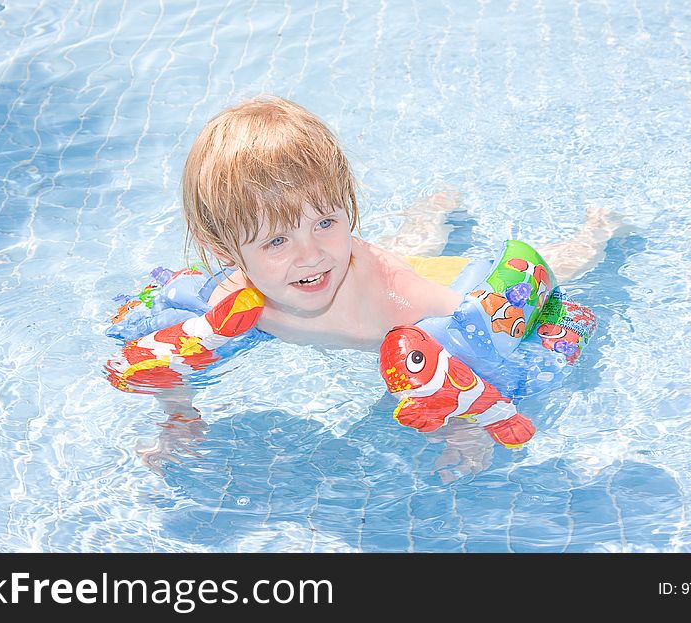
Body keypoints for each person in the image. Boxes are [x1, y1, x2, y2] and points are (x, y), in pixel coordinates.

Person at [116, 95, 624, 478]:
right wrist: (179, 418)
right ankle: (434, 211)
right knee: (408, 244)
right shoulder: (228, 297)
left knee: (561, 264)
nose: (310, 254)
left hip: (414, 282)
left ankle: (596, 230)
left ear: (347, 208)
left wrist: (465, 427)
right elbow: (173, 357)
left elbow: (470, 344)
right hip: (371, 265)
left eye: (326, 222)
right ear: (225, 248)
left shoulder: (392, 297)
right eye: (276, 240)